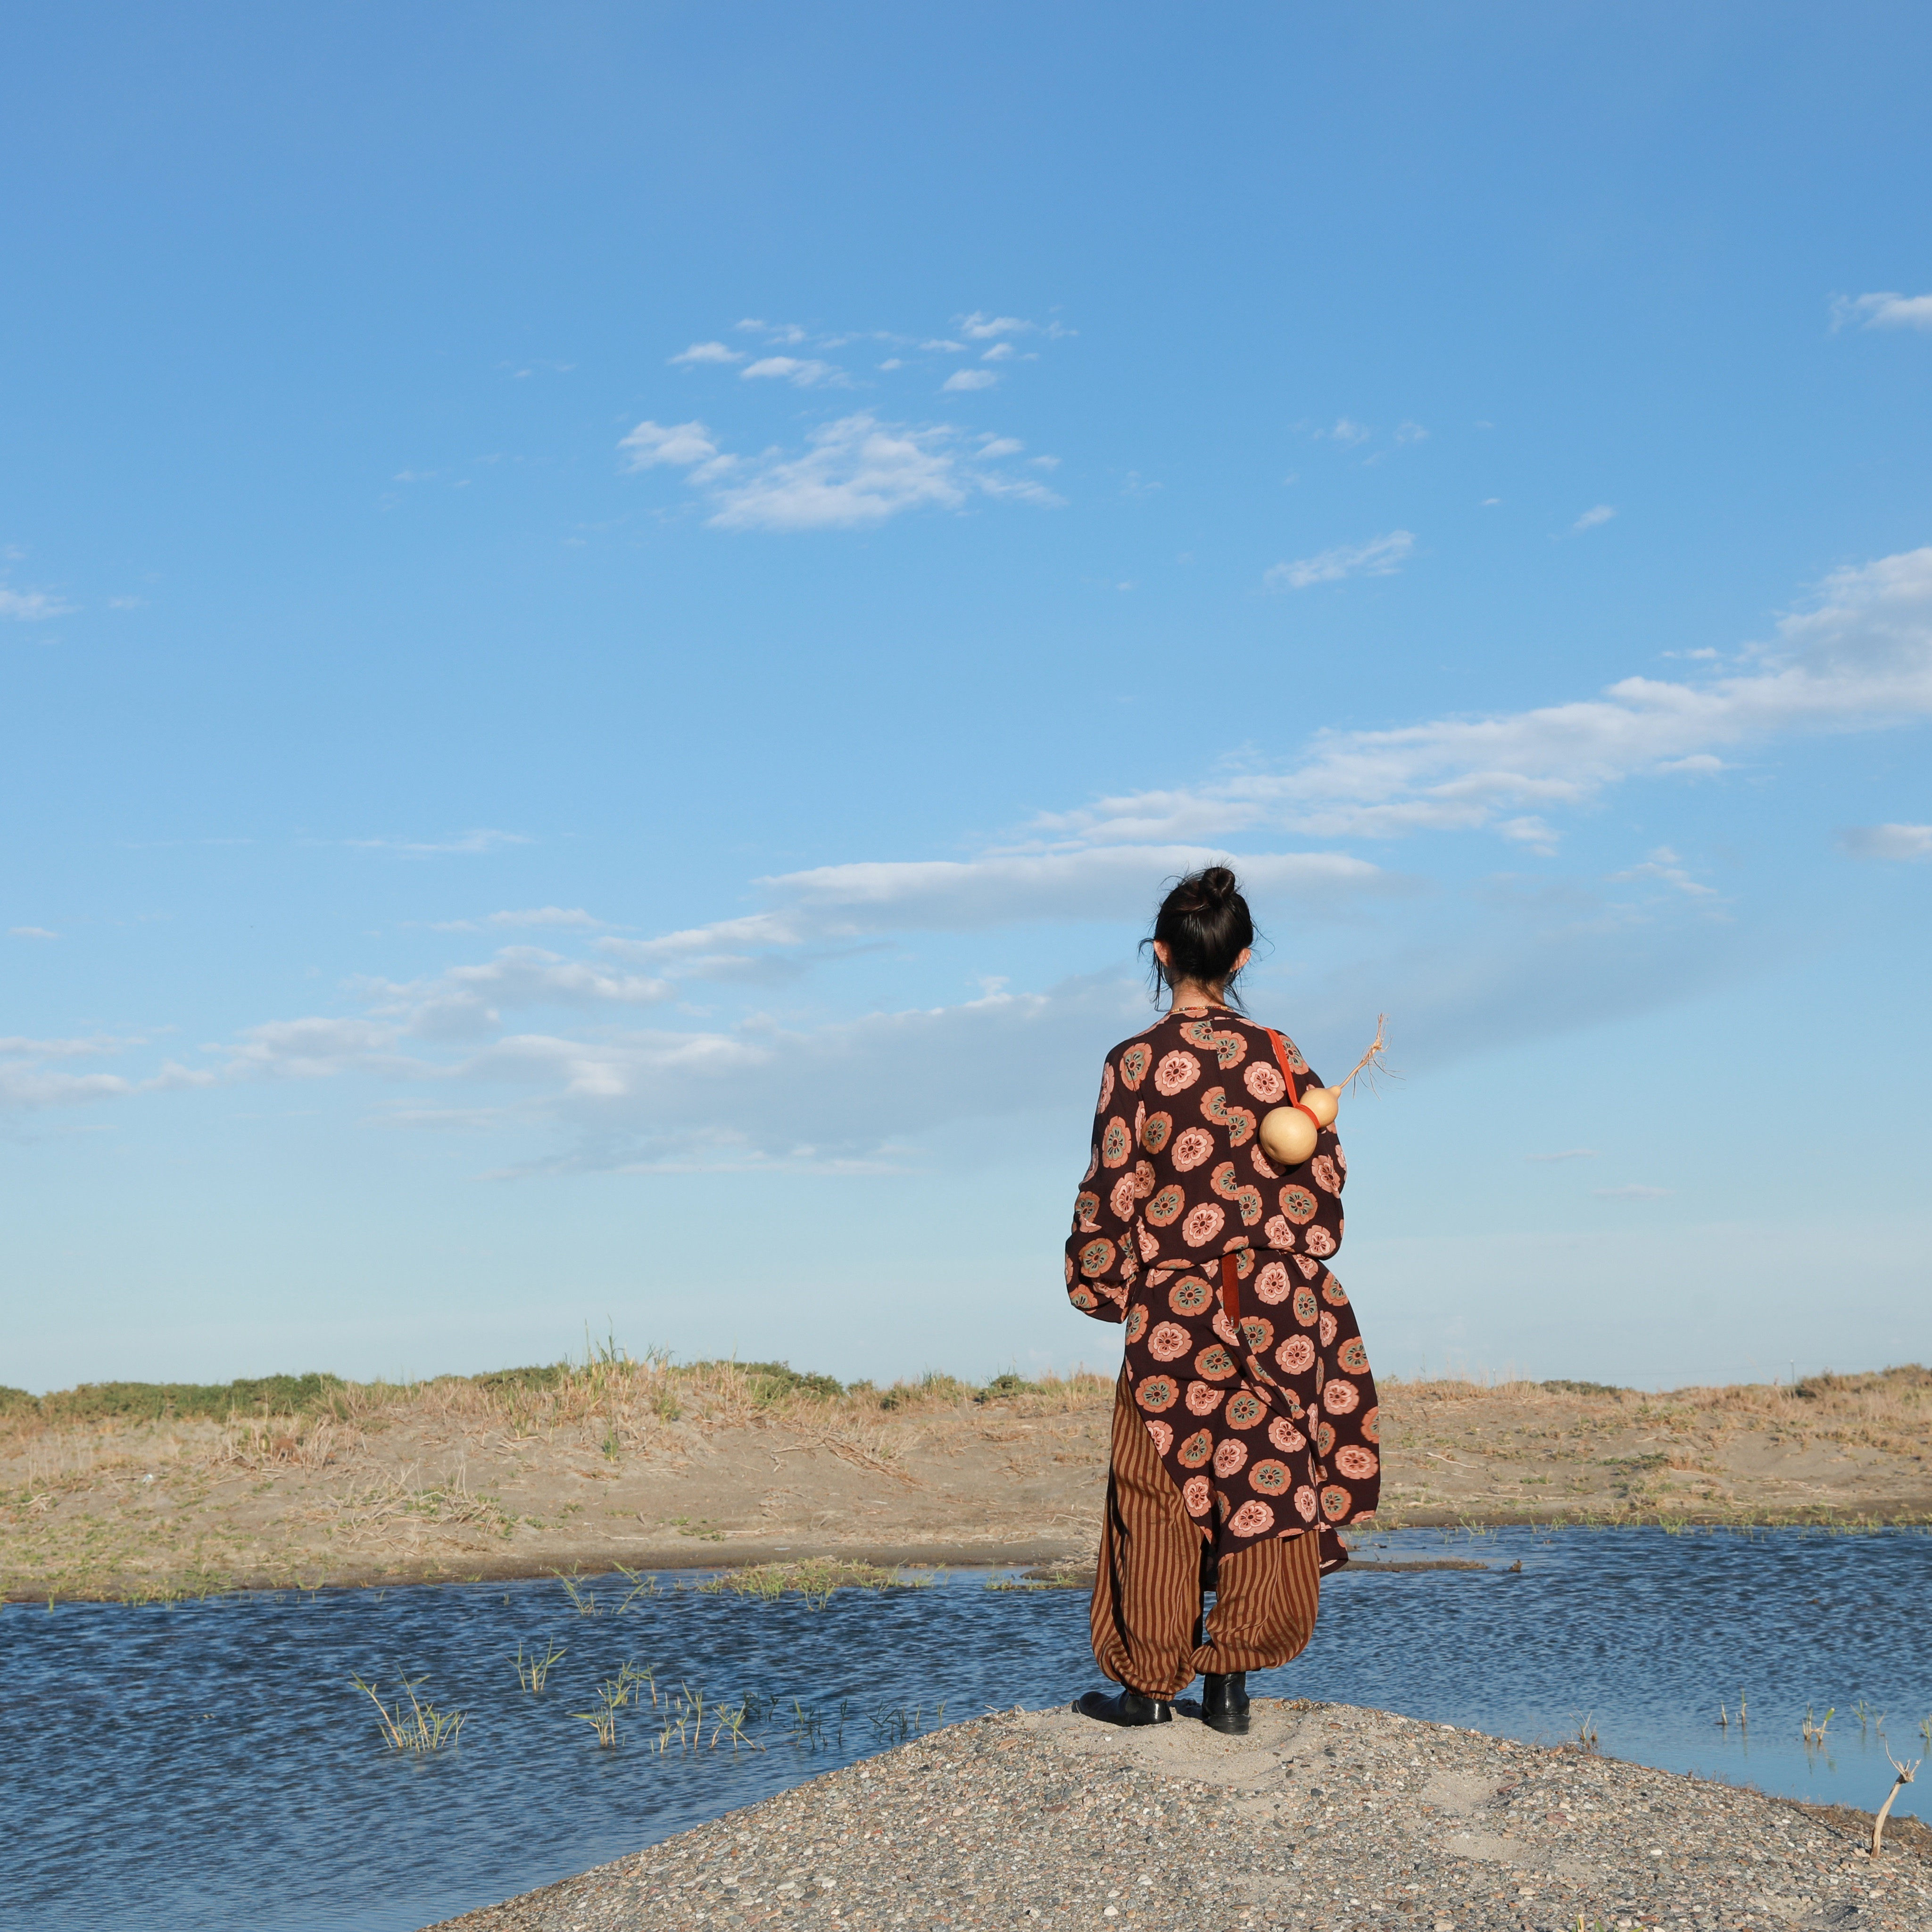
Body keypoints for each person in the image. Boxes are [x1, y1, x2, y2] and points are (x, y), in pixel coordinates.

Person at [1064, 867, 1381, 1735]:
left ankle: (1150, 1685)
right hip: (1281, 1302)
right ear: (1241, 956)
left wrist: (1099, 1280)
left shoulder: (1132, 1062)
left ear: (1160, 954)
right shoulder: (1281, 1057)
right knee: (1265, 1476)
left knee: (1157, 1480)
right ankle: (1231, 1687)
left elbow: (1111, 1186)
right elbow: (1325, 1173)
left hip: (1178, 1299)